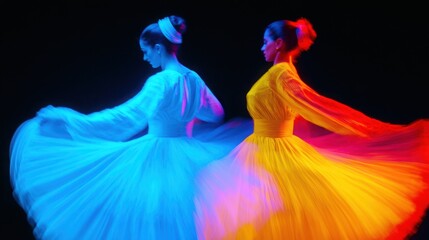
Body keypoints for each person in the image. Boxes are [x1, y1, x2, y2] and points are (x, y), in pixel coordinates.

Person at [9, 15, 251, 240]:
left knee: (153, 219)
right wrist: (186, 113)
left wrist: (70, 119)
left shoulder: (161, 81)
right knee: (185, 219)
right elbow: (216, 113)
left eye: (145, 51)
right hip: (188, 155)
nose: (145, 58)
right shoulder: (194, 78)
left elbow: (126, 117)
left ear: (158, 48)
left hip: (158, 158)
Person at [195, 17, 429, 239]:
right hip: (259, 147)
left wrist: (365, 128)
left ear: (278, 44)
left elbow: (315, 106)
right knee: (253, 213)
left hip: (273, 152)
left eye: (265, 42)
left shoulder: (282, 75)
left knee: (269, 213)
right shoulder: (279, 74)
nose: (261, 47)